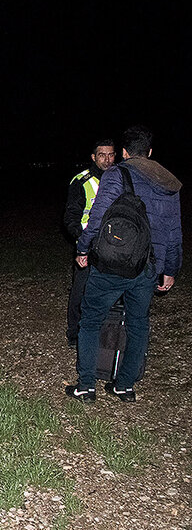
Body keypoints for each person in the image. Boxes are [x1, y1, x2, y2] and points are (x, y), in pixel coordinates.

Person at [69, 125, 182, 402]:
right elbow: (174, 231)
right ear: (150, 151)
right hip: (147, 267)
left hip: (112, 263)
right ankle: (124, 386)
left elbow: (97, 218)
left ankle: (86, 386)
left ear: (123, 152)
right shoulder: (168, 182)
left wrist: (83, 248)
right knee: (138, 324)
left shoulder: (116, 174)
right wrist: (170, 269)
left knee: (91, 320)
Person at [64, 139, 116, 346]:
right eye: (102, 155)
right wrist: (82, 240)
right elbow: (71, 217)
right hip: (89, 245)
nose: (107, 159)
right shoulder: (82, 181)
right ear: (93, 157)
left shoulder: (122, 179)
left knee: (112, 291)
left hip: (116, 248)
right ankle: (74, 334)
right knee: (81, 290)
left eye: (111, 155)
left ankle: (109, 334)